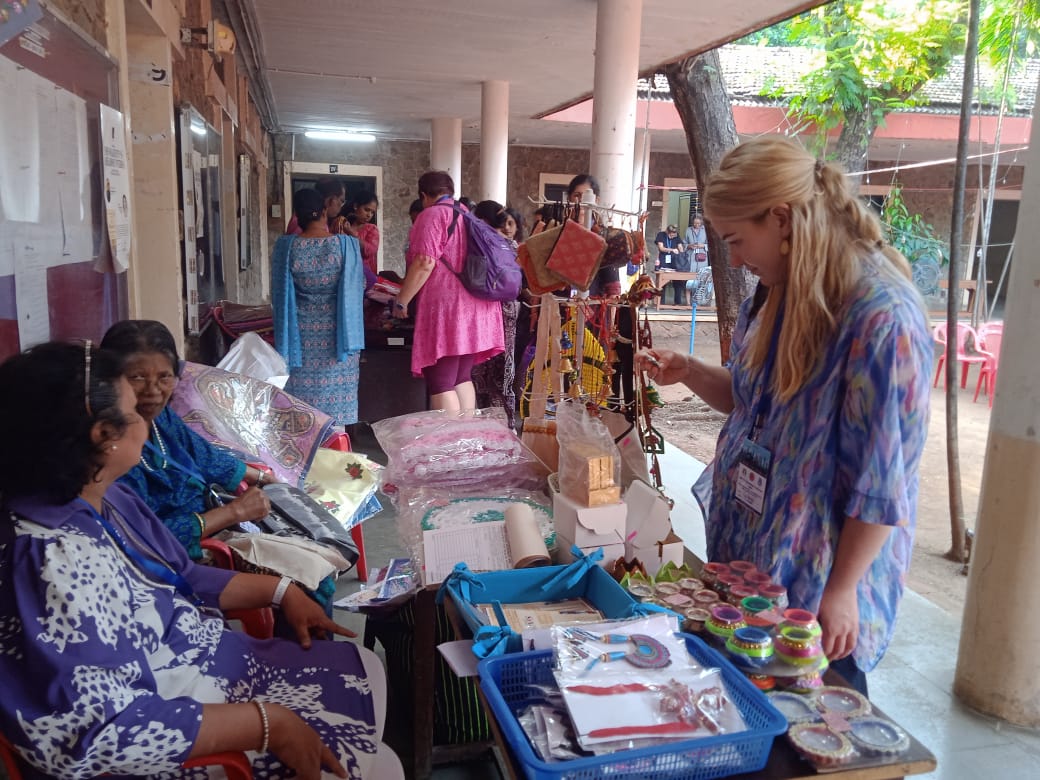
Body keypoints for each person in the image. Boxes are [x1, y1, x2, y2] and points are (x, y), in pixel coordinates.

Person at [0, 340, 402, 779]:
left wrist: (281, 589)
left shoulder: (106, 495)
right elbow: (103, 731)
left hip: (194, 661)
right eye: (134, 407)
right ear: (102, 437)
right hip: (152, 731)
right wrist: (271, 724)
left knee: (369, 677)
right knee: (379, 766)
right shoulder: (49, 561)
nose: (150, 410)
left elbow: (183, 575)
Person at [635, 137, 932, 696]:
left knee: (813, 720)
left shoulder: (881, 316)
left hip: (817, 586)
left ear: (780, 218)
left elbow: (883, 483)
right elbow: (754, 407)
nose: (737, 259)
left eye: (736, 240)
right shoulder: (775, 293)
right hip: (752, 564)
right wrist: (693, 372)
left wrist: (841, 589)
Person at [392, 171, 504, 412]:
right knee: (461, 377)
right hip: (476, 307)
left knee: (441, 382)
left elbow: (424, 261)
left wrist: (402, 300)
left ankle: (447, 445)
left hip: (447, 309)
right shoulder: (467, 215)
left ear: (423, 195)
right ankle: (463, 441)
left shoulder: (432, 215)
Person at [272, 188, 367, 427]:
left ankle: (302, 453)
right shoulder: (346, 246)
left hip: (299, 342)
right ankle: (336, 453)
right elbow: (361, 285)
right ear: (325, 211)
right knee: (335, 418)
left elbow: (278, 292)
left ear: (297, 214)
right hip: (340, 339)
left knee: (302, 408)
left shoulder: (286, 248)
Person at [471, 200, 520, 426]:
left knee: (481, 368)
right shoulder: (513, 248)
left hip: (485, 309)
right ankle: (506, 422)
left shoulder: (480, 244)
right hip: (509, 309)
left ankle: (484, 422)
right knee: (504, 367)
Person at [567, 174, 622, 298]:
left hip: (592, 308)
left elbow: (612, 288)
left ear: (596, 201)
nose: (582, 201)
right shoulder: (559, 231)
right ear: (569, 199)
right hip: (560, 307)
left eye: (587, 196)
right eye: (577, 195)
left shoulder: (603, 237)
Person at [334, 189, 381, 277]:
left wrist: (352, 233)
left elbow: (370, 251)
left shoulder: (371, 229)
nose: (369, 215)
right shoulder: (342, 225)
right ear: (356, 206)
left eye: (372, 212)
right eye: (367, 210)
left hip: (364, 277)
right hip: (343, 274)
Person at [654, 223, 687, 305]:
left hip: (674, 260)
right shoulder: (661, 235)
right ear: (667, 232)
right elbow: (661, 248)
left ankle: (677, 302)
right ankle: (661, 303)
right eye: (671, 235)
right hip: (664, 259)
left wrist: (682, 255)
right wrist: (672, 249)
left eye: (674, 236)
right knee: (663, 281)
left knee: (677, 282)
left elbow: (680, 247)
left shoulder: (676, 236)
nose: (672, 237)